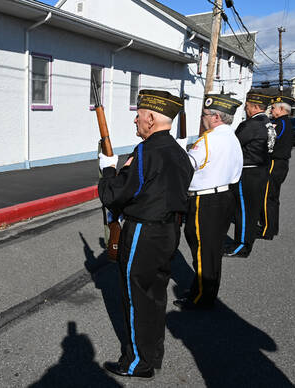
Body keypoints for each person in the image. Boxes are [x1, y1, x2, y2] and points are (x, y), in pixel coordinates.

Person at [98, 89, 193, 378]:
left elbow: (115, 195)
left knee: (136, 297)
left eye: (138, 116)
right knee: (154, 296)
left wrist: (108, 171)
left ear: (150, 118)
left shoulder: (146, 152)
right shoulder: (178, 151)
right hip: (168, 232)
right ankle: (150, 355)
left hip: (143, 231)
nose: (135, 121)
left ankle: (137, 361)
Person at [173, 94, 243, 310]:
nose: (202, 118)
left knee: (203, 252)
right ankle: (202, 291)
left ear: (215, 117)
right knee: (211, 250)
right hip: (224, 197)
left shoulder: (209, 139)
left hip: (206, 201)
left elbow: (185, 166)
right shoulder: (232, 137)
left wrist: (178, 150)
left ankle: (201, 298)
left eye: (204, 114)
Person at [224, 91, 273, 258]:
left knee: (244, 211)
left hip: (248, 172)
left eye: (247, 107)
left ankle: (242, 246)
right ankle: (244, 242)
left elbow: (234, 144)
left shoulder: (252, 124)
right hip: (261, 170)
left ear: (256, 107)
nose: (246, 110)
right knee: (251, 210)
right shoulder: (267, 122)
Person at [259, 95, 295, 240]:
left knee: (268, 197)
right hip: (280, 164)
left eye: (273, 108)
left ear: (281, 109)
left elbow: (271, 141)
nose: (271, 110)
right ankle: (272, 228)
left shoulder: (280, 123)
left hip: (275, 163)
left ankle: (267, 230)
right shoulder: (282, 122)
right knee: (272, 197)